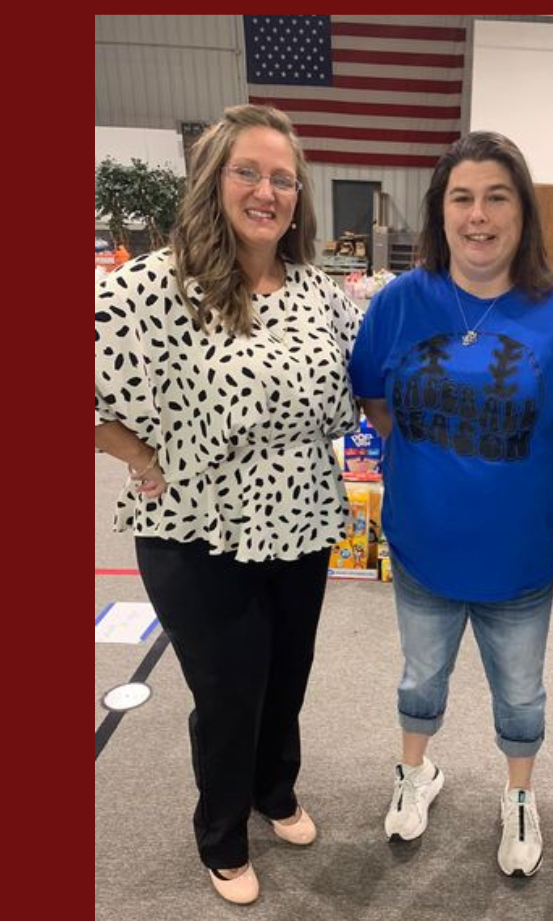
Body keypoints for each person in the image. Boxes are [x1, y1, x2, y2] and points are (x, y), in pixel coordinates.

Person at [95, 104, 362, 905]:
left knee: (288, 676)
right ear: (213, 180)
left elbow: (361, 393)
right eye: (248, 171)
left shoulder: (321, 292)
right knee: (230, 690)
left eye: (283, 178)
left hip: (305, 517)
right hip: (198, 529)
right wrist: (141, 456)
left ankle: (274, 790)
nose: (266, 191)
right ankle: (221, 833)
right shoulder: (152, 287)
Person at [348, 131, 553, 876]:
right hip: (424, 542)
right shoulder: (401, 300)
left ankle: (517, 794)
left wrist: (494, 457)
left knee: (521, 693)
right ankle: (414, 771)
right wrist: (432, 452)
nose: (478, 214)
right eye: (462, 197)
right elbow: (372, 397)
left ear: (522, 212)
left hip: (518, 553)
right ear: (440, 211)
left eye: (497, 196)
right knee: (419, 678)